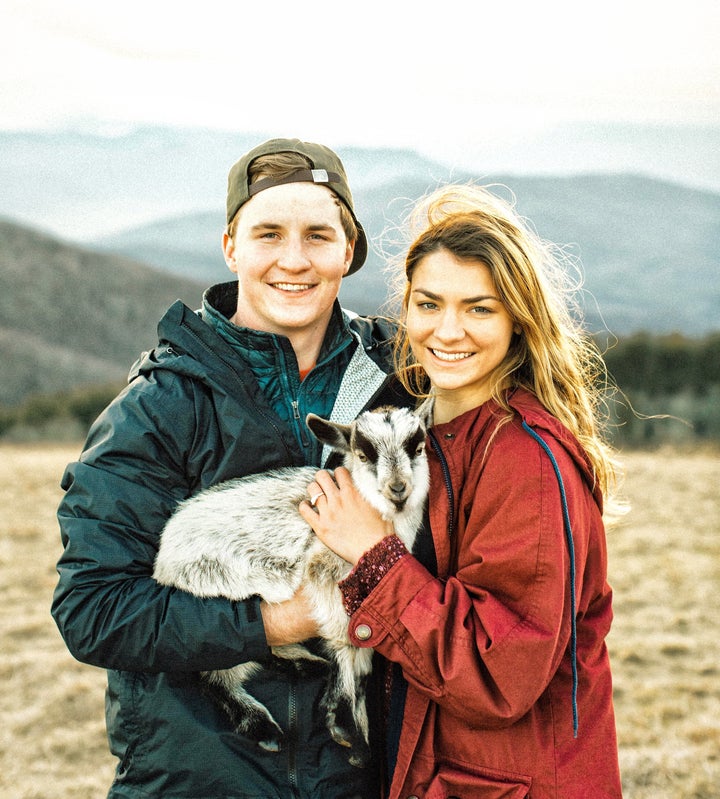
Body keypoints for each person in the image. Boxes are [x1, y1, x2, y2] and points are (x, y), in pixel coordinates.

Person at [52, 138, 413, 799]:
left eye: (318, 235)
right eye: (268, 233)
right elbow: (93, 606)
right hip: (196, 778)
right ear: (231, 247)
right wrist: (285, 619)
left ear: (348, 251)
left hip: (364, 779)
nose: (294, 258)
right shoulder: (161, 406)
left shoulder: (404, 388)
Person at [300, 184, 625, 798]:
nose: (448, 330)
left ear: (518, 321)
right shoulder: (426, 432)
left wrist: (374, 554)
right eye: (428, 304)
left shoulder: (524, 457)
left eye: (479, 308)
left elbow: (500, 669)